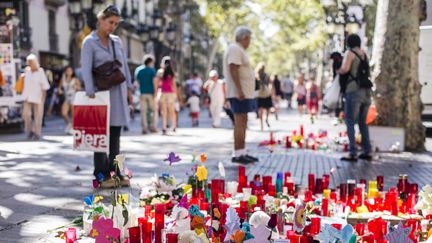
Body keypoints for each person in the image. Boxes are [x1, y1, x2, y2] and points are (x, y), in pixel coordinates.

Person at [81, 4, 133, 187]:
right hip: (99, 94)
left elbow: (124, 66)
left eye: (116, 23)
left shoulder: (117, 41)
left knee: (116, 135)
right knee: (100, 137)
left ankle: (116, 173)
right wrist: (90, 93)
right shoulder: (89, 42)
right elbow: (86, 69)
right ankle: (101, 176)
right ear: (101, 20)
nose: (113, 26)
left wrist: (129, 89)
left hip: (117, 92)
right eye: (110, 22)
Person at [223, 26, 258, 164]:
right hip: (239, 93)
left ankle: (241, 152)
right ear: (244, 38)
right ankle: (237, 154)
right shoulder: (235, 48)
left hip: (243, 93)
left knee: (243, 122)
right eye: (249, 39)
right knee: (239, 123)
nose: (249, 42)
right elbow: (233, 68)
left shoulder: (239, 49)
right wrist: (239, 90)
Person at [337, 34, 372, 162]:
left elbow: (345, 69)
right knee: (363, 122)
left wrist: (338, 70)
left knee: (350, 121)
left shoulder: (350, 53)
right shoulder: (364, 54)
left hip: (354, 91)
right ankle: (367, 150)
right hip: (366, 92)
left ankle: (352, 152)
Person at [21, 54, 50, 140]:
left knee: (38, 115)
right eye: (28, 62)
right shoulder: (27, 71)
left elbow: (45, 86)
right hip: (27, 96)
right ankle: (29, 131)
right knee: (26, 114)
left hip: (38, 96)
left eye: (31, 61)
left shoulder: (40, 71)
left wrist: (43, 97)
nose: (29, 63)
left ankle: (37, 132)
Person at [135, 55, 157, 134]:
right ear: (150, 62)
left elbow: (137, 83)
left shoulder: (138, 70)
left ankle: (144, 128)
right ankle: (152, 127)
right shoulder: (152, 70)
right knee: (153, 111)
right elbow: (154, 82)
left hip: (142, 93)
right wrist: (155, 92)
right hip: (150, 93)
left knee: (143, 111)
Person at [59, 66, 81, 134]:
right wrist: (60, 90)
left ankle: (73, 128)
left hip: (73, 97)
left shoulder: (75, 79)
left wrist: (76, 87)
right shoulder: (63, 79)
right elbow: (59, 87)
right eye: (67, 70)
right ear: (65, 71)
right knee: (64, 113)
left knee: (73, 114)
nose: (69, 72)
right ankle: (69, 124)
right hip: (66, 97)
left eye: (70, 70)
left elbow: (80, 88)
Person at [159, 57, 177, 135]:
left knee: (164, 111)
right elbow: (174, 85)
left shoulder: (160, 72)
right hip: (171, 94)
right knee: (172, 111)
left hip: (163, 93)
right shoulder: (172, 73)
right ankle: (174, 126)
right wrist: (176, 95)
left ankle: (164, 127)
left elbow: (157, 83)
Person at [255, 63, 273, 131]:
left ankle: (261, 124)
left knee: (260, 109)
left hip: (259, 94)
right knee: (268, 108)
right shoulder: (266, 75)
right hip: (266, 93)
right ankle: (266, 119)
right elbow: (271, 83)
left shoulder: (256, 76)